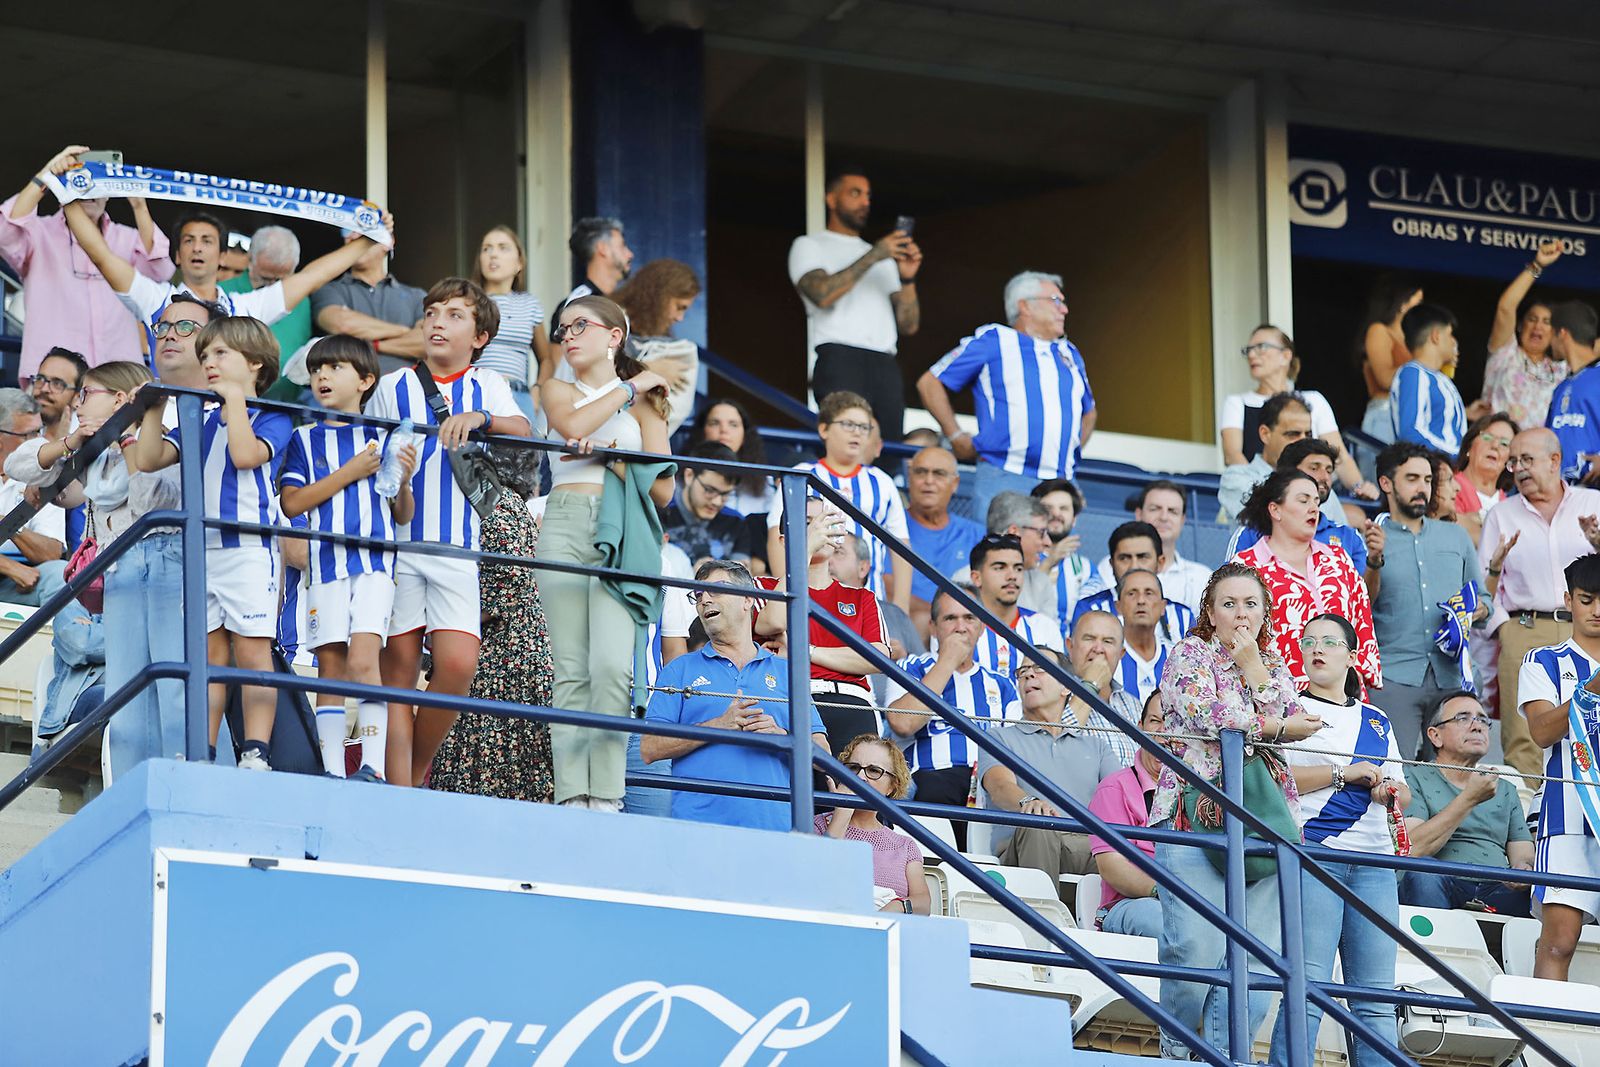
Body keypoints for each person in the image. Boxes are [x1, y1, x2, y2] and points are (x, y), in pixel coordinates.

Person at [1150, 562, 1322, 1061]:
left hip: (1264, 821)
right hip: (1193, 817)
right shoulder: (1189, 653)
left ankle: (1227, 1057)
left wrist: (1253, 667)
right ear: (1210, 612)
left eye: (1251, 604)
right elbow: (1210, 716)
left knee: (1259, 964)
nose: (1241, 614)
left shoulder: (1269, 662)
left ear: (1266, 613)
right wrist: (1274, 726)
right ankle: (1175, 1049)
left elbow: (1301, 720)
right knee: (1195, 951)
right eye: (1229, 604)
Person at [368, 278, 531, 787]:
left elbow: (523, 430)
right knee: (398, 673)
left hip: (460, 547)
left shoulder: (488, 384)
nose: (438, 322)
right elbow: (371, 459)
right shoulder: (393, 386)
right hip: (398, 547)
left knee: (458, 666)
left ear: (480, 337)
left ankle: (415, 770)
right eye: (432, 312)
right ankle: (402, 790)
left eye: (455, 315)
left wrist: (481, 417)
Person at [130, 317, 290, 769]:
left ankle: (257, 751)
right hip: (201, 552)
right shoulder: (199, 417)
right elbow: (148, 459)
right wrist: (154, 409)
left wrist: (235, 400)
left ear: (255, 362)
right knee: (208, 657)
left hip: (248, 550)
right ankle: (204, 749)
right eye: (205, 356)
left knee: (253, 652)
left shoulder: (272, 415)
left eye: (221, 353)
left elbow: (245, 455)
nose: (209, 363)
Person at [540, 294, 672, 810]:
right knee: (570, 669)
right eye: (562, 329)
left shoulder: (645, 403)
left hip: (623, 526)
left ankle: (607, 796)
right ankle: (573, 795)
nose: (568, 336)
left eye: (580, 325)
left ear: (615, 335)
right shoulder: (558, 388)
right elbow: (572, 427)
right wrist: (632, 386)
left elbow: (664, 490)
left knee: (613, 668)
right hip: (564, 521)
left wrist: (617, 460)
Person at [277, 335, 418, 781]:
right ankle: (334, 773)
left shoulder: (384, 436)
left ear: (365, 381)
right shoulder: (303, 438)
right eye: (317, 369)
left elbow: (402, 513)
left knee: (362, 661)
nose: (322, 376)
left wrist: (404, 480)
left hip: (374, 564)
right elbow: (292, 504)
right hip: (324, 565)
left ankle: (372, 765)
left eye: (335, 367)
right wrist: (350, 472)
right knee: (331, 666)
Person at [1281, 613, 1409, 1064]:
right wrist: (1343, 773)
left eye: (1330, 642)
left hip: (1375, 863)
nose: (1317, 649)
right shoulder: (1288, 712)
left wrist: (1386, 789)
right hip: (1317, 853)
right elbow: (1278, 781)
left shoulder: (1376, 720)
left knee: (1376, 998)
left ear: (1353, 657)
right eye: (1309, 641)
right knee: (1309, 985)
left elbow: (1403, 790)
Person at [95, 297, 213, 775]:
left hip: (185, 556)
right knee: (124, 706)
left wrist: (131, 436)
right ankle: (130, 805)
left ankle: (202, 801)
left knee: (182, 700)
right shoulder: (144, 406)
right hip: (126, 557)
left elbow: (149, 498)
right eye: (162, 326)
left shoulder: (224, 410)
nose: (168, 335)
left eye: (185, 327)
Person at [6, 360, 152, 746]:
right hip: (100, 590)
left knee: (90, 644)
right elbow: (17, 465)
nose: (76, 404)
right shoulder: (91, 453)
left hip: (141, 583)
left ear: (119, 400)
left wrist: (126, 437)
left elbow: (145, 494)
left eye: (86, 394)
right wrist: (70, 443)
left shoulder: (156, 447)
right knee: (77, 634)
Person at [63, 201, 382, 361]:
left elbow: (312, 276)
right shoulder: (156, 299)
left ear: (222, 256)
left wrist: (370, 238)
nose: (197, 248)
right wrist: (68, 198)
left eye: (207, 241)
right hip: (170, 426)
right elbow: (101, 255)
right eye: (188, 241)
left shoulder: (244, 308)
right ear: (177, 255)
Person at [642, 559, 829, 830]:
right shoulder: (679, 669)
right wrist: (718, 726)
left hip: (773, 829)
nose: (704, 600)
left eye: (716, 590)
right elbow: (649, 748)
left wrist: (783, 737)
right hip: (697, 828)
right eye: (698, 595)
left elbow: (823, 756)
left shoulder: (787, 672)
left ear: (748, 599)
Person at [429, 443, 556, 803]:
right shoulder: (513, 508)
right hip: (518, 654)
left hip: (503, 659)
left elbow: (508, 582)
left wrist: (446, 617)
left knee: (483, 770)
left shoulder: (497, 507)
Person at [919, 270, 1093, 521]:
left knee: (1055, 548)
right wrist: (955, 435)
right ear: (1025, 306)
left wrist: (1066, 451)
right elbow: (930, 383)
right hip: (1004, 475)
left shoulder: (1069, 353)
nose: (1064, 310)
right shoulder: (995, 339)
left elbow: (1089, 412)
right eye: (1056, 301)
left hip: (1060, 482)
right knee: (999, 545)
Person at [1480, 427, 1600, 778]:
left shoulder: (1593, 503)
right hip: (1525, 629)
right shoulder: (1501, 514)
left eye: (1527, 460)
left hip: (1591, 625)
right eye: (1514, 462)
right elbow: (1483, 587)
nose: (1519, 469)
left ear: (1554, 460)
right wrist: (1505, 630)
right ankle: (1530, 811)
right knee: (1525, 740)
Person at [1362, 441, 1489, 760]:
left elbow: (1484, 601)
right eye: (1412, 479)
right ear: (1386, 483)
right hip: (1394, 677)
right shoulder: (1368, 538)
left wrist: (1470, 613)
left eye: (1428, 480)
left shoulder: (1456, 536)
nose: (1423, 488)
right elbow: (1362, 606)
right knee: (1392, 772)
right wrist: (1374, 560)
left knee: (1456, 776)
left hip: (1453, 677)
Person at [1, 145, 169, 377]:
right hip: (53, 379)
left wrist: (139, 205)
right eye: (81, 179)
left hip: (118, 377)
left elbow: (160, 271)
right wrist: (46, 176)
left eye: (97, 181)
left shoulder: (128, 238)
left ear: (108, 192)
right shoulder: (39, 233)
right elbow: (4, 233)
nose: (89, 189)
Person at [885, 585, 1021, 850]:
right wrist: (947, 662)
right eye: (950, 618)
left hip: (988, 788)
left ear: (981, 626)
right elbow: (903, 723)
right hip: (930, 783)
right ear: (933, 628)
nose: (960, 627)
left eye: (969, 618)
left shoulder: (1003, 685)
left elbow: (1016, 752)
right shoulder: (910, 667)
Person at [790, 166, 921, 441]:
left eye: (868, 196)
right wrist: (875, 255)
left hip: (885, 361)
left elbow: (909, 325)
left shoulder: (882, 256)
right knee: (843, 441)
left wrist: (908, 279)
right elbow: (821, 294)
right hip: (840, 356)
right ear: (831, 199)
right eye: (855, 193)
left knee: (888, 446)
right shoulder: (810, 245)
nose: (865, 202)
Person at [978, 658, 1121, 902]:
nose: (1028, 675)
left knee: (1128, 842)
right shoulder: (999, 737)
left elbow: (1119, 798)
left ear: (1066, 686)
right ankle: (1043, 921)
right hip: (1029, 843)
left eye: (1039, 669)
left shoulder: (1096, 745)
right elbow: (999, 786)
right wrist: (1028, 802)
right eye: (1023, 671)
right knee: (1039, 823)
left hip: (1089, 846)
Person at [755, 498, 890, 753]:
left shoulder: (862, 597)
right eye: (808, 523)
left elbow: (879, 659)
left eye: (824, 523)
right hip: (788, 699)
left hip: (852, 704)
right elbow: (773, 621)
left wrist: (804, 651)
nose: (818, 530)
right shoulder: (762, 586)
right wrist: (804, 550)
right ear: (784, 540)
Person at [1522, 553, 1600, 977]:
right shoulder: (1543, 660)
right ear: (1568, 600)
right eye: (1587, 599)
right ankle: (1542, 1022)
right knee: (1559, 942)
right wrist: (1591, 691)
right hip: (1566, 815)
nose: (1597, 610)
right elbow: (1541, 731)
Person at [764, 391, 911, 615]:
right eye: (848, 424)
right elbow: (778, 537)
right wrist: (789, 598)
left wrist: (900, 607)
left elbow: (901, 547)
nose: (857, 432)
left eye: (864, 427)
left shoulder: (883, 482)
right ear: (824, 429)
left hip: (871, 605)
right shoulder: (800, 475)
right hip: (810, 604)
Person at [1233, 469, 1380, 689]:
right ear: (1275, 510)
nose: (1314, 508)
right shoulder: (1246, 566)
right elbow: (1234, 634)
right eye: (1303, 501)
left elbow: (1362, 622)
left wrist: (1360, 677)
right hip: (1277, 696)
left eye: (1316, 502)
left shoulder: (1339, 559)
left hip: (1342, 695)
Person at [1400, 691, 1533, 917]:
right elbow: (1413, 849)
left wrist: (1524, 868)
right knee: (1422, 873)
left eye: (1482, 719)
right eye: (1463, 718)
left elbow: (1523, 855)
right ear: (1435, 736)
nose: (1477, 726)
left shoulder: (1506, 789)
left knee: (1547, 894)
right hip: (1441, 881)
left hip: (1497, 886)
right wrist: (1469, 799)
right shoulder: (1412, 776)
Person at [1220, 325, 1377, 502]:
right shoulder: (1237, 403)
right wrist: (1264, 493)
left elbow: (1340, 457)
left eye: (1261, 347)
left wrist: (1358, 488)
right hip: (1259, 498)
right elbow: (1232, 455)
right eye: (1248, 350)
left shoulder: (1314, 400)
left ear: (1286, 356)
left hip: (1313, 498)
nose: (1252, 355)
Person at [818, 735, 931, 915]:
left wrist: (898, 906)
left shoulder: (905, 845)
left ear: (892, 786)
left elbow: (923, 904)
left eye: (873, 770)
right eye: (853, 768)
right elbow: (814, 883)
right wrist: (842, 814)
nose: (860, 777)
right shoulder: (816, 825)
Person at [1087, 692, 1166, 937]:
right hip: (1130, 904)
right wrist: (1168, 893)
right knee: (1167, 923)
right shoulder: (1115, 787)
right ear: (1140, 728)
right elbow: (1112, 867)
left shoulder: (1201, 793)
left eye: (1173, 723)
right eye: (1155, 721)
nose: (1163, 732)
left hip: (1192, 906)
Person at [1227, 438, 1368, 573]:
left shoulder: (1349, 537)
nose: (1325, 477)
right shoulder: (1250, 533)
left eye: (1329, 471)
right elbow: (1230, 586)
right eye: (1314, 468)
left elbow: (1363, 589)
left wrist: (1373, 562)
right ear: (1288, 474)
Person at [309, 221, 427, 373]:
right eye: (348, 232)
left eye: (362, 233)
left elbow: (427, 343)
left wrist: (375, 345)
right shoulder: (328, 289)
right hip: (352, 387)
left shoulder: (416, 296)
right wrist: (405, 331)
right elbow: (343, 324)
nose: (353, 238)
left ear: (388, 242)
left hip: (405, 387)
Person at [1217, 392, 1341, 525]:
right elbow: (1274, 525)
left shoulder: (1321, 484)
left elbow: (1343, 534)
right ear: (1265, 434)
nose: (1303, 441)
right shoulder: (1236, 478)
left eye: (1308, 434)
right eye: (1293, 434)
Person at [470, 224, 552, 423]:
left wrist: (537, 391)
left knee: (522, 444)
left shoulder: (530, 304)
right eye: (486, 249)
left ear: (519, 263)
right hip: (475, 392)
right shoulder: (468, 301)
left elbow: (546, 360)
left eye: (503, 248)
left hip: (518, 396)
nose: (493, 254)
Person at [1092, 480, 1212, 613]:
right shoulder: (1108, 567)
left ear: (1183, 520)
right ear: (1138, 514)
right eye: (1155, 509)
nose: (1164, 517)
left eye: (1172, 511)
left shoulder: (1202, 577)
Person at [1483, 239, 1566, 428]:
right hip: (1501, 443)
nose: (1538, 326)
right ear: (1520, 325)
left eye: (1546, 322)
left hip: (1542, 446)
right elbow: (1505, 307)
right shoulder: (1506, 353)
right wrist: (1537, 265)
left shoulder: (1561, 370)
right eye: (1532, 319)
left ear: (1554, 333)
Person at [614, 258, 702, 434]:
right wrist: (648, 368)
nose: (680, 318)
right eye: (679, 307)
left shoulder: (663, 338)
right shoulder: (612, 318)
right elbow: (595, 372)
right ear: (661, 296)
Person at [1072, 521, 1196, 644]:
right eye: (1124, 558)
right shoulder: (1090, 610)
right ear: (1111, 564)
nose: (1134, 566)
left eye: (1143, 557)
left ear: (1160, 563)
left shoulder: (1183, 617)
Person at [905, 445, 983, 638]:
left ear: (955, 483)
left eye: (938, 474)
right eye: (921, 472)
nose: (929, 481)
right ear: (909, 478)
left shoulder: (976, 534)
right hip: (915, 630)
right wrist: (943, 617)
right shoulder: (891, 527)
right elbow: (888, 590)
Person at [0, 390, 66, 605]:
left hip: (20, 582)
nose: (39, 442)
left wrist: (10, 525)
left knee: (59, 575)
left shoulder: (43, 475)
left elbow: (52, 554)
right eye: (28, 435)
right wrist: (8, 567)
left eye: (40, 431)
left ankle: (79, 629)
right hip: (15, 572)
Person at [968, 533, 1065, 678]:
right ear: (977, 578)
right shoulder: (961, 628)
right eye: (1000, 568)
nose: (1012, 576)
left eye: (1018, 568)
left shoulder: (1044, 627)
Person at [220, 225, 313, 363]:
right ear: (250, 259)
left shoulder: (301, 299)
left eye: (280, 280)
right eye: (266, 278)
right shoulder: (221, 292)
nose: (274, 286)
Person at [1062, 609, 1142, 765]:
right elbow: (1057, 743)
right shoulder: (1054, 695)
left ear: (1121, 654)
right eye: (1089, 638)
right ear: (1070, 647)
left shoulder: (1134, 705)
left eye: (1108, 641)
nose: (1098, 649)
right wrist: (1091, 684)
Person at [1391, 302, 1468, 454]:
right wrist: (1457, 457)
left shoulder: (1440, 379)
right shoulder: (1413, 373)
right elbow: (1411, 432)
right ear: (1436, 336)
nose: (1454, 341)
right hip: (1431, 466)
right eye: (1450, 334)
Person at [662, 441, 752, 566]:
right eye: (710, 490)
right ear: (689, 475)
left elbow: (743, 573)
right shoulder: (660, 513)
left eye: (725, 494)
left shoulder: (736, 522)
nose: (717, 502)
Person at [1359, 278, 1424, 444]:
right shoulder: (1379, 330)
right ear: (1402, 303)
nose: (1422, 310)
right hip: (1384, 414)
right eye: (1418, 303)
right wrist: (1423, 362)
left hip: (1410, 418)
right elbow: (1384, 378)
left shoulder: (1413, 343)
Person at [1543, 301, 1600, 482]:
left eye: (1551, 334)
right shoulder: (1560, 389)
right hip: (1564, 492)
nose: (1550, 343)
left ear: (1562, 334)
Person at [1032, 478, 1095, 637]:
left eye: (1064, 508)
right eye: (1048, 508)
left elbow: (1095, 619)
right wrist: (1048, 563)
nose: (1056, 514)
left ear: (1074, 520)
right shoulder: (1020, 560)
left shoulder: (1086, 569)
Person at [695, 398, 773, 518]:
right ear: (703, 430)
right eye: (714, 423)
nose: (724, 430)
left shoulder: (766, 484)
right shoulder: (682, 475)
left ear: (745, 434)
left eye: (733, 424)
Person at [1452, 412, 1518, 546]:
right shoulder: (1448, 488)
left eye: (1504, 443)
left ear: (1510, 461)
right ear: (1469, 446)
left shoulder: (1511, 506)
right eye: (1487, 437)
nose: (1495, 445)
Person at [986, 491, 1054, 615]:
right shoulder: (965, 583)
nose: (1048, 542)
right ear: (1014, 533)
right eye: (1041, 533)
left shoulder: (1041, 583)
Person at [1113, 570, 1169, 711]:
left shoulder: (1177, 656)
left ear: (1163, 607)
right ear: (1118, 606)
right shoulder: (1107, 656)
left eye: (1149, 593)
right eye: (1132, 594)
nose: (1141, 601)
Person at [556, 216, 633, 316]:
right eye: (622, 246)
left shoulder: (626, 302)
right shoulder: (578, 305)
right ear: (603, 248)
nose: (630, 254)